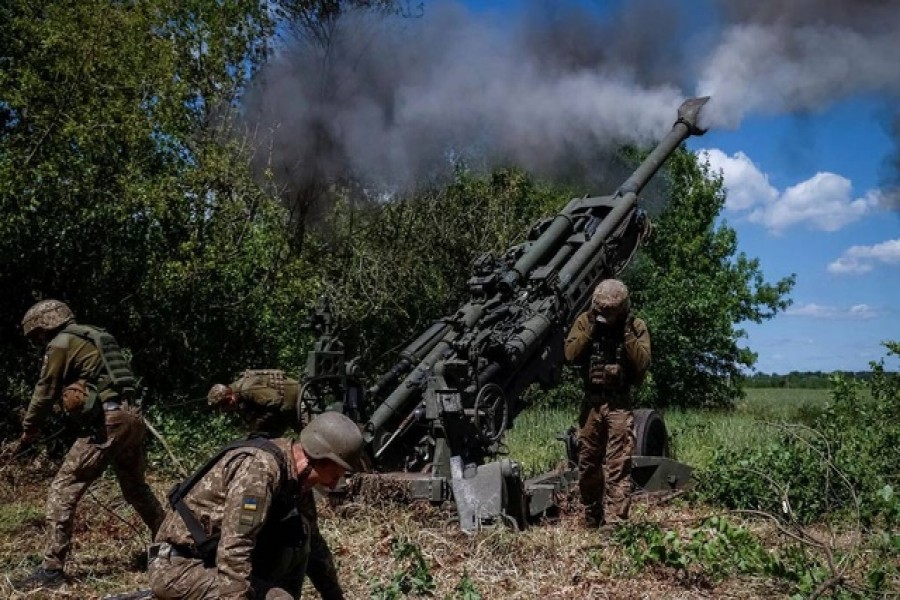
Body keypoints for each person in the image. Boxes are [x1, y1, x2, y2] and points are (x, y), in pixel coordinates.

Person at [13, 299, 165, 589]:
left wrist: (30, 428)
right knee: (135, 487)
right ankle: (174, 546)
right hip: (132, 415)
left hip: (109, 420)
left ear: (44, 325)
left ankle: (52, 570)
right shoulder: (96, 334)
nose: (38, 341)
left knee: (64, 486)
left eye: (36, 336)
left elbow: (45, 390)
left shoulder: (61, 343)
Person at [148, 411, 365, 600]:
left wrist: (334, 596)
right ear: (318, 458)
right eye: (335, 474)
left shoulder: (296, 481)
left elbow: (316, 549)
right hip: (178, 567)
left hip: (211, 561)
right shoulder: (260, 470)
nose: (335, 483)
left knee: (300, 537)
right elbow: (236, 548)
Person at [564, 279, 651, 528]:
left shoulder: (635, 327)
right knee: (588, 461)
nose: (606, 315)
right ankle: (593, 515)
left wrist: (625, 333)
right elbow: (570, 355)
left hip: (619, 404)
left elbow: (642, 362)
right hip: (591, 404)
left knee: (618, 464)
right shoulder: (585, 322)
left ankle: (616, 522)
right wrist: (591, 327)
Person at [206, 369, 304, 438]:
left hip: (299, 399)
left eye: (227, 401)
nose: (229, 405)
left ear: (229, 392)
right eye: (224, 406)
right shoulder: (239, 403)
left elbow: (275, 400)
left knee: (312, 437)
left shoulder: (247, 389)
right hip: (284, 412)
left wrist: (260, 421)